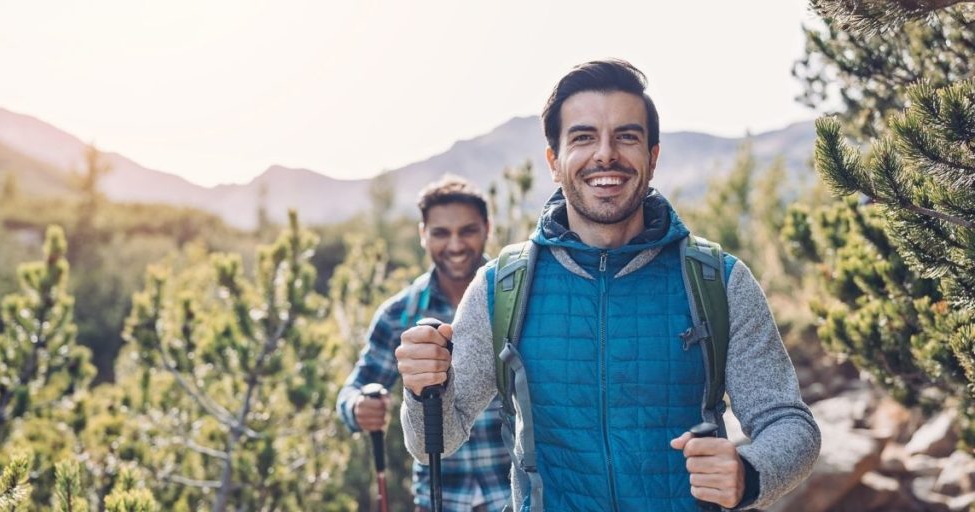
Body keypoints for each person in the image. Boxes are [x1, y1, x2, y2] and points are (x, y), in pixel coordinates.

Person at [396, 59, 821, 511]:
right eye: (583, 137)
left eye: (627, 136)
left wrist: (749, 472)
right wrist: (423, 388)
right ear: (554, 162)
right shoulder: (501, 287)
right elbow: (433, 443)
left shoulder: (718, 280)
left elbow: (790, 424)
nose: (605, 154)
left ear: (652, 158)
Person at [336, 176, 511, 512]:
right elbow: (353, 389)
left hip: (513, 496)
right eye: (441, 233)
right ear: (422, 235)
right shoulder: (398, 314)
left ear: (487, 228)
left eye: (468, 230)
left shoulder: (515, 299)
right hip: (438, 499)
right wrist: (358, 406)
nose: (456, 245)